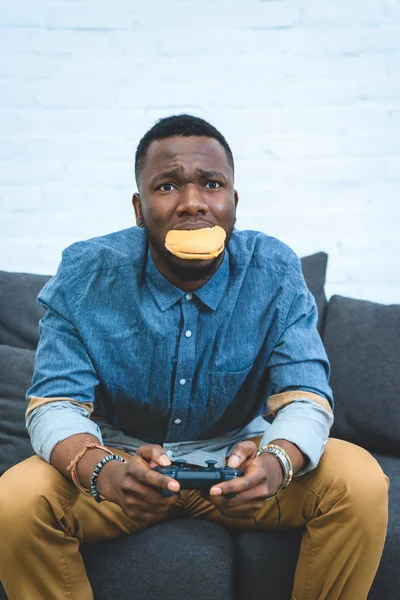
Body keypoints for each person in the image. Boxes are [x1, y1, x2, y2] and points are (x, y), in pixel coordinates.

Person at [0, 114, 388, 600]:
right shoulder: (88, 272)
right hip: (121, 466)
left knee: (361, 480)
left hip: (239, 467)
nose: (192, 203)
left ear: (234, 202)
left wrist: (274, 463)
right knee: (14, 500)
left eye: (211, 183)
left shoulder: (274, 271)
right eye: (167, 186)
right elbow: (54, 403)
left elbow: (306, 396)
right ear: (140, 209)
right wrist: (106, 471)